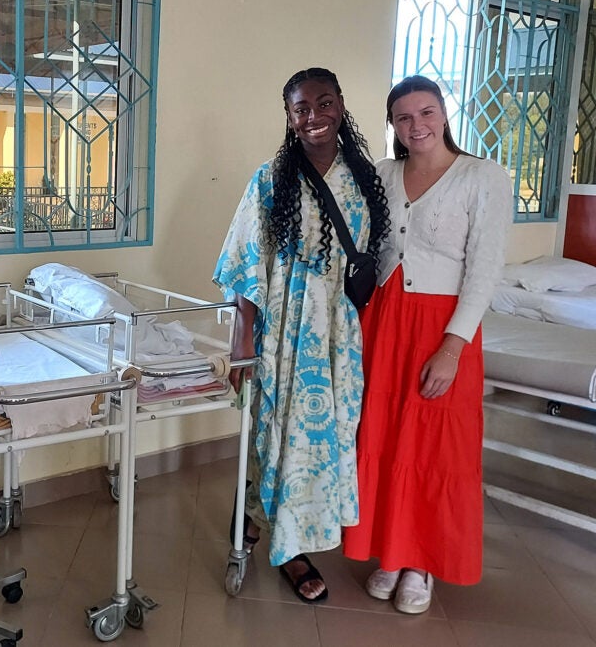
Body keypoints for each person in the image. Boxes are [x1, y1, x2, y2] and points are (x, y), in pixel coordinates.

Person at [214, 67, 390, 602]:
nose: (312, 116)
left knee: (325, 439)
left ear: (340, 106)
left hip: (340, 335)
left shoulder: (363, 178)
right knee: (280, 433)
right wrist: (243, 340)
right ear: (289, 118)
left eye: (323, 103)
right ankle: (289, 550)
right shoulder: (271, 178)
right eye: (300, 109)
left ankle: (250, 517)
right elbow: (245, 261)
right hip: (284, 330)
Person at [342, 75, 512, 614]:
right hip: (385, 320)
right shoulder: (384, 174)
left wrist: (453, 346)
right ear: (392, 125)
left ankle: (421, 562)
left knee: (435, 445)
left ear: (443, 114)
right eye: (404, 117)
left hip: (441, 327)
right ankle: (389, 552)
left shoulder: (482, 176)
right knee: (385, 434)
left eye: (427, 112)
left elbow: (485, 267)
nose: (417, 125)